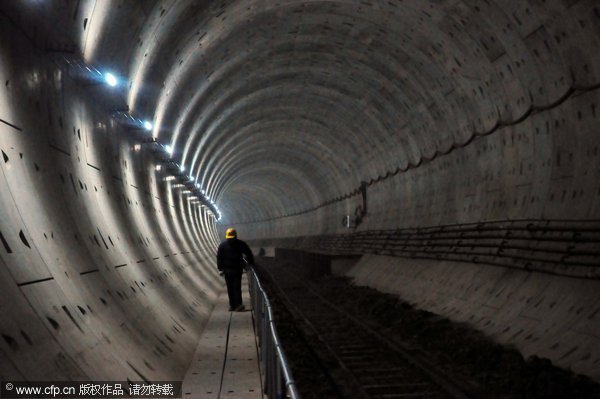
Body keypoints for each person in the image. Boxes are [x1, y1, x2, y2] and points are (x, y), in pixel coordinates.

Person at [217, 228, 254, 311]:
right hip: (237, 269)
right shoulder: (240, 244)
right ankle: (238, 305)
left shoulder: (222, 245)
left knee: (230, 288)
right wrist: (250, 263)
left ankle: (232, 305)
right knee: (237, 287)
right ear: (235, 235)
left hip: (227, 270)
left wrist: (220, 269)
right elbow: (248, 253)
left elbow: (219, 258)